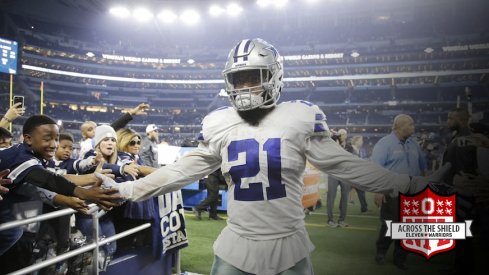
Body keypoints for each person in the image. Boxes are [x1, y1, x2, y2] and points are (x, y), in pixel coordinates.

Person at [96, 38, 449, 275]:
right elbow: (180, 172)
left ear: (274, 77)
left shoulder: (298, 116)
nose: (245, 86)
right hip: (235, 244)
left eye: (253, 77)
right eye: (239, 79)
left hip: (289, 244)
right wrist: (127, 191)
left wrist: (410, 183)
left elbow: (346, 166)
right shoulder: (219, 122)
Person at [0, 115, 120, 256]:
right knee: (13, 233)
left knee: (14, 232)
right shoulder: (23, 157)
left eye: (56, 139)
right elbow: (48, 180)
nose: (53, 144)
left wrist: (90, 180)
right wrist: (83, 192)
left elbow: (51, 178)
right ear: (28, 139)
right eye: (47, 139)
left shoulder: (32, 155)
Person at [371, 114, 427, 270]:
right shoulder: (384, 144)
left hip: (413, 193)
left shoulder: (414, 144)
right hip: (392, 192)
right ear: (401, 126)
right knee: (390, 225)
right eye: (411, 124)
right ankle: (381, 252)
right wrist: (379, 191)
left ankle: (400, 258)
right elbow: (376, 169)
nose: (414, 127)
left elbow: (423, 168)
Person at [327, 128, 352, 227]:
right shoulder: (332, 144)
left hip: (345, 174)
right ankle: (330, 220)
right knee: (331, 197)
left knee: (345, 197)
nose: (341, 136)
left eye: (343, 134)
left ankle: (342, 220)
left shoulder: (349, 147)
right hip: (333, 173)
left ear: (346, 135)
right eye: (339, 134)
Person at [349, 135, 369, 213]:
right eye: (361, 140)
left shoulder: (358, 150)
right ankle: (364, 208)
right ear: (356, 141)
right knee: (346, 191)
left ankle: (364, 208)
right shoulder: (351, 149)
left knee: (361, 190)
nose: (362, 142)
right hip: (351, 174)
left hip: (356, 175)